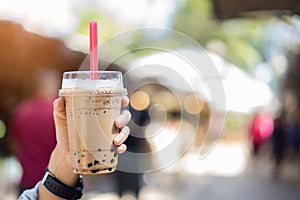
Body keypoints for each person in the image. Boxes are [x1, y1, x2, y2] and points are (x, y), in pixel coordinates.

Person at [19, 95, 131, 199]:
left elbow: (14, 143)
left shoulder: (23, 111)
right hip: (62, 177)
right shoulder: (56, 111)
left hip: (33, 176)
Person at [9, 69, 60, 194]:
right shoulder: (61, 114)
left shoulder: (22, 111)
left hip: (27, 181)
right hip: (56, 183)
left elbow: (13, 144)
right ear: (55, 86)